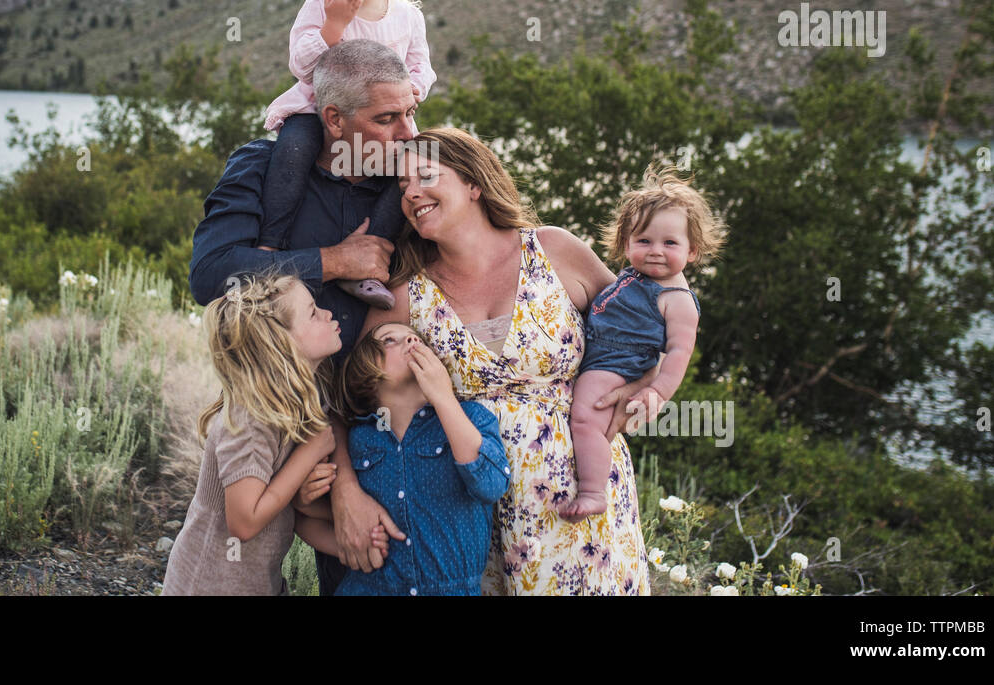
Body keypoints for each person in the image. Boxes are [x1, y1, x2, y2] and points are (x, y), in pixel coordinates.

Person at [354, 127, 653, 595]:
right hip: (466, 507)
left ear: (475, 184)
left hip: (579, 493)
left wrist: (649, 385)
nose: (411, 193)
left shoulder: (555, 251)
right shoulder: (404, 296)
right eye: (402, 186)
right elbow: (348, 398)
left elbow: (641, 328)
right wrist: (345, 494)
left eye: (426, 176)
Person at [188, 39, 419, 594]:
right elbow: (211, 274)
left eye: (411, 113)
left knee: (375, 567)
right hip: (280, 413)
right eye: (388, 119)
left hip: (378, 416)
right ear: (333, 119)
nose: (408, 133)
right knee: (242, 563)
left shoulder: (411, 186)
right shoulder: (264, 168)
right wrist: (335, 261)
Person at [258, 0, 435, 311]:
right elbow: (301, 66)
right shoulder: (318, 8)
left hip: (382, 119)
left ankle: (374, 256)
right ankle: (270, 248)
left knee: (417, 165)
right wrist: (334, 24)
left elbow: (423, 67)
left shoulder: (406, 16)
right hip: (316, 109)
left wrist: (414, 89)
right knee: (293, 149)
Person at [161, 271, 386, 595]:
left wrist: (357, 545)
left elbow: (291, 511)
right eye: (312, 312)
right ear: (282, 345)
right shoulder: (249, 419)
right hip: (208, 586)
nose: (327, 314)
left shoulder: (299, 406)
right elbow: (245, 521)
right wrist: (311, 451)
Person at [562, 166, 726, 523]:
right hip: (601, 353)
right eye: (644, 241)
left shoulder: (677, 299)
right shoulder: (633, 275)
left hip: (617, 366)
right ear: (626, 244)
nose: (655, 251)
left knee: (586, 419)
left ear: (692, 250)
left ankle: (592, 491)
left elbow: (679, 353)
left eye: (670, 243)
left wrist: (659, 393)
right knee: (587, 418)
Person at [318, 322, 509, 595]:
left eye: (414, 338)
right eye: (389, 340)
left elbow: (490, 484)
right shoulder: (358, 439)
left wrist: (443, 397)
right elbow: (319, 516)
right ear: (365, 374)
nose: (409, 339)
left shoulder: (470, 417)